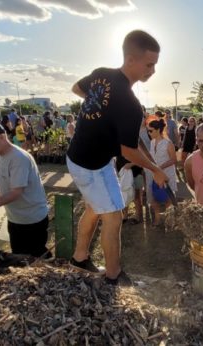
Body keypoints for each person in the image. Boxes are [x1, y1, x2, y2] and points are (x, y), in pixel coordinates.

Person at [65, 30, 168, 285]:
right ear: (131, 60)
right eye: (149, 64)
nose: (152, 70)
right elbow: (128, 152)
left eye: (155, 64)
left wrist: (100, 109)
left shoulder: (101, 74)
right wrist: (155, 169)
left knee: (94, 206)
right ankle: (113, 275)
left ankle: (79, 258)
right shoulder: (130, 104)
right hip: (91, 166)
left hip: (78, 157)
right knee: (113, 215)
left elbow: (77, 88)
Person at [0, 122, 50, 257]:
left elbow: (15, 193)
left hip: (31, 219)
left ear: (2, 136)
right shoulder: (2, 155)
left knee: (36, 259)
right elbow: (3, 186)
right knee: (18, 257)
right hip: (16, 218)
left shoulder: (18, 158)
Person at [145, 119, 178, 226]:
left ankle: (169, 221)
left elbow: (174, 160)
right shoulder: (152, 142)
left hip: (167, 174)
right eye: (148, 131)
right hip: (154, 174)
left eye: (150, 131)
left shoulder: (168, 143)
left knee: (168, 199)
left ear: (158, 130)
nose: (149, 133)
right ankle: (158, 218)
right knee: (154, 197)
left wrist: (160, 167)